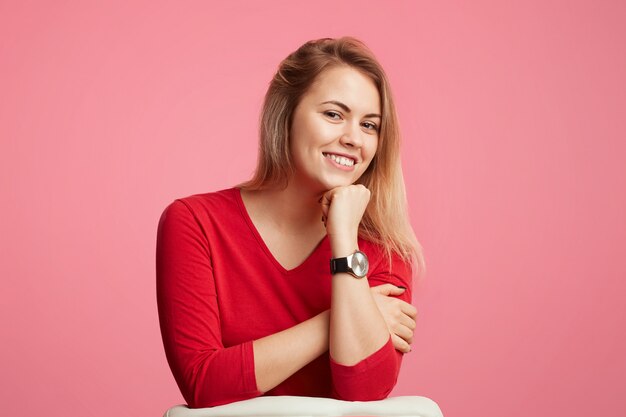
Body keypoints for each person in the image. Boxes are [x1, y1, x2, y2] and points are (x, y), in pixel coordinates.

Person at [156, 36, 424, 409]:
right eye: (334, 114)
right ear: (286, 114)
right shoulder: (194, 222)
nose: (352, 138)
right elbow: (203, 383)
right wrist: (333, 320)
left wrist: (345, 238)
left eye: (369, 125)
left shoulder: (386, 252)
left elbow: (365, 393)